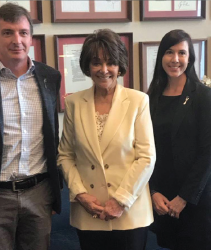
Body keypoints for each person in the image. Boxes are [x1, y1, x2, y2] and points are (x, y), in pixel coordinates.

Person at [0, 3, 61, 250]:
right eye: (8, 32)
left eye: (23, 32)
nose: (17, 40)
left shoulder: (50, 77)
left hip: (39, 193)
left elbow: (52, 138)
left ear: (31, 37)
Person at [58, 29, 156, 250]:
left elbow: (146, 157)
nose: (104, 70)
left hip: (130, 211)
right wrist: (81, 195)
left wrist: (120, 201)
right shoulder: (74, 103)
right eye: (96, 63)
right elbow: (65, 155)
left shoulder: (138, 101)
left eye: (110, 62)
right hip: (89, 211)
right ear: (87, 66)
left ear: (120, 65)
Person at [148, 29, 211, 250]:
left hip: (195, 200)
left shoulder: (203, 96)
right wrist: (153, 191)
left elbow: (207, 152)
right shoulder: (151, 97)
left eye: (182, 53)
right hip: (162, 200)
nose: (175, 59)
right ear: (161, 57)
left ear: (190, 58)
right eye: (169, 52)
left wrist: (183, 197)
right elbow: (146, 150)